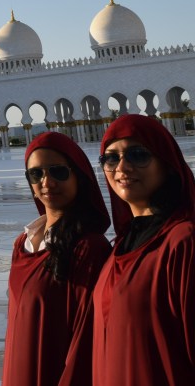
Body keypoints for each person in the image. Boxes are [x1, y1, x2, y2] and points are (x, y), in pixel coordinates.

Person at [92, 114, 195, 384]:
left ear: (167, 164)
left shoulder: (183, 242)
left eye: (138, 155)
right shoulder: (122, 243)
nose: (122, 168)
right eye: (111, 158)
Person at [3, 132, 110, 386]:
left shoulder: (88, 248)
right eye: (36, 174)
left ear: (79, 177)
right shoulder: (23, 243)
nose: (47, 182)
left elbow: (86, 341)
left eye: (58, 172)